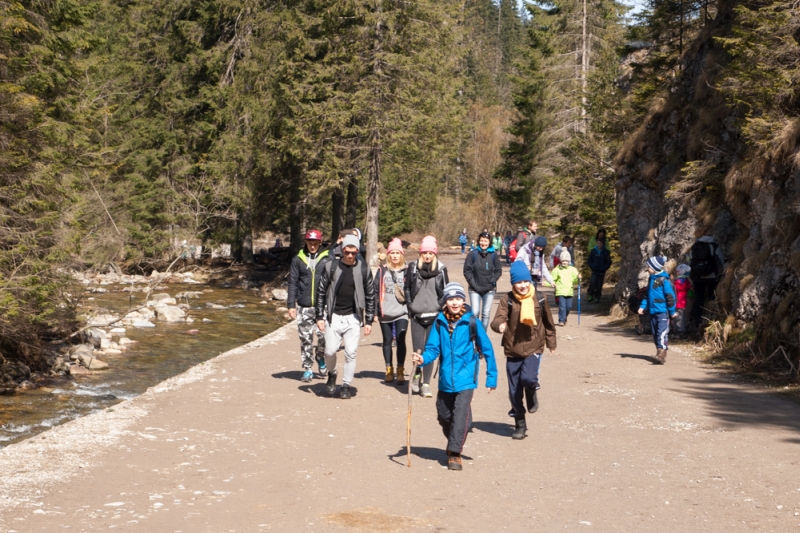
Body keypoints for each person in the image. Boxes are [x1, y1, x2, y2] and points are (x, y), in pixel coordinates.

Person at [411, 282, 497, 471]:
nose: (455, 302)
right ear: (445, 301)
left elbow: (488, 350)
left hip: (466, 378)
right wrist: (422, 358)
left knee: (460, 415)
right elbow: (433, 348)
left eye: (458, 298)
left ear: (463, 300)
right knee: (444, 415)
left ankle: (454, 454)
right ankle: (460, 429)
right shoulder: (440, 322)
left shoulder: (471, 321)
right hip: (445, 379)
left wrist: (491, 378)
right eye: (451, 299)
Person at [491, 262, 556, 440]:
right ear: (513, 284)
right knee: (514, 391)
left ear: (530, 281)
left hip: (534, 345)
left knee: (528, 377)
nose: (523, 286)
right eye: (519, 282)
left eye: (525, 281)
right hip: (512, 349)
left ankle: (532, 389)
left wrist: (551, 343)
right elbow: (497, 319)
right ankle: (520, 424)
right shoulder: (508, 299)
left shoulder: (540, 298)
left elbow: (549, 323)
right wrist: (500, 325)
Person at [315, 234, 376, 398]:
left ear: (357, 252)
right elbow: (321, 291)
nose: (350, 256)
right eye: (347, 252)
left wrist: (369, 319)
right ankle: (332, 373)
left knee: (351, 352)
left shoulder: (363, 269)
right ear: (342, 251)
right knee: (329, 351)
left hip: (353, 318)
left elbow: (371, 295)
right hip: (333, 316)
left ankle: (346, 386)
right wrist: (319, 316)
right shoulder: (331, 267)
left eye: (353, 253)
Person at [405, 236, 449, 398]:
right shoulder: (413, 268)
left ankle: (426, 383)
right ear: (421, 253)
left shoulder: (441, 270)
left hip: (434, 316)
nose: (428, 256)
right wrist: (410, 304)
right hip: (416, 316)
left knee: (430, 350)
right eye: (425, 253)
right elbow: (407, 288)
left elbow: (446, 292)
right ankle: (417, 375)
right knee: (418, 349)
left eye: (431, 253)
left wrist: (439, 306)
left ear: (435, 253)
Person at [287, 229, 330, 382]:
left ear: (320, 242)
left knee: (324, 337)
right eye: (310, 243)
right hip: (304, 306)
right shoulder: (298, 259)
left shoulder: (327, 258)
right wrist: (291, 304)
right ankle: (307, 368)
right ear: (305, 242)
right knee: (305, 339)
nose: (312, 246)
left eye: (315, 243)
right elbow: (292, 282)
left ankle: (320, 357)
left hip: (322, 306)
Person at [375, 238, 408, 384]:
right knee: (387, 341)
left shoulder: (408, 271)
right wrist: (375, 312)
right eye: (392, 253)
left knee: (401, 340)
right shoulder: (382, 271)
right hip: (385, 311)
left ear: (401, 254)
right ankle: (389, 369)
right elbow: (375, 291)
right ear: (388, 255)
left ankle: (400, 369)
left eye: (397, 253)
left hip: (402, 311)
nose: (394, 256)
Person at [638, 256, 678, 364]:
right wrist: (642, 306)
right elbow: (647, 295)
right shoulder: (652, 279)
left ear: (655, 268)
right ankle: (660, 352)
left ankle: (661, 353)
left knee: (661, 332)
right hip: (652, 311)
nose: (647, 268)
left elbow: (670, 296)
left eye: (649, 266)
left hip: (662, 312)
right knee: (655, 333)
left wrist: (672, 311)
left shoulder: (663, 280)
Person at [463, 231, 503, 329]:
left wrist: (492, 281)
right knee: (475, 312)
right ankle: (474, 333)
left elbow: (498, 271)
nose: (483, 243)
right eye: (481, 241)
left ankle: (482, 335)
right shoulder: (472, 254)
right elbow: (467, 270)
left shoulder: (494, 255)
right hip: (474, 289)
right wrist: (473, 283)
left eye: (485, 241)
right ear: (478, 241)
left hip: (489, 289)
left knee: (486, 313)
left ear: (489, 242)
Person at [689, 230, 725, 329]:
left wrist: (692, 277)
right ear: (709, 233)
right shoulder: (714, 245)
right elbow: (719, 261)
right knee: (712, 299)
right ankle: (711, 322)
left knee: (698, 300)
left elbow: (690, 261)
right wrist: (721, 274)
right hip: (711, 277)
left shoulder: (694, 246)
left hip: (697, 278)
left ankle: (697, 324)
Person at [551, 251, 581, 326]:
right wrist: (547, 283)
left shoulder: (573, 270)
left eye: (566, 261)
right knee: (562, 307)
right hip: (560, 291)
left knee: (568, 307)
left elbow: (575, 281)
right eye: (563, 261)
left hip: (569, 291)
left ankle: (564, 317)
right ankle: (561, 320)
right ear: (561, 261)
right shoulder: (557, 270)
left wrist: (578, 278)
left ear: (569, 261)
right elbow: (552, 279)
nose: (564, 262)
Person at [587, 237, 612, 302]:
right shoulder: (593, 251)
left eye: (600, 243)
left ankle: (597, 297)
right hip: (594, 270)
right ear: (596, 243)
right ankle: (590, 295)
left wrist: (604, 268)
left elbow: (609, 261)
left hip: (601, 271)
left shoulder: (606, 252)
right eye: (598, 243)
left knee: (599, 285)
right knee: (592, 283)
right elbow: (589, 260)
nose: (599, 245)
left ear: (603, 244)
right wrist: (592, 266)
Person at [673, 264, 692, 337]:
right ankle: (679, 330)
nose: (676, 273)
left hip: (679, 302)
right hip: (681, 302)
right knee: (680, 317)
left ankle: (679, 330)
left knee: (679, 317)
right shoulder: (686, 281)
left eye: (677, 272)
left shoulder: (678, 282)